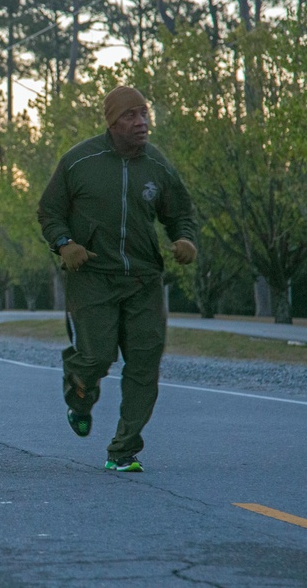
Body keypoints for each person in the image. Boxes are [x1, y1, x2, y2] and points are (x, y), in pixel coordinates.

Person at [37, 86, 198, 473]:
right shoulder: (79, 161)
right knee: (96, 357)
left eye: (144, 114)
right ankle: (79, 393)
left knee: (144, 363)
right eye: (131, 116)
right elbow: (49, 211)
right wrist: (64, 244)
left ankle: (124, 449)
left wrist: (185, 239)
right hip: (91, 275)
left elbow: (181, 213)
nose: (141, 122)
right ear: (112, 122)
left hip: (144, 279)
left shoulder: (157, 166)